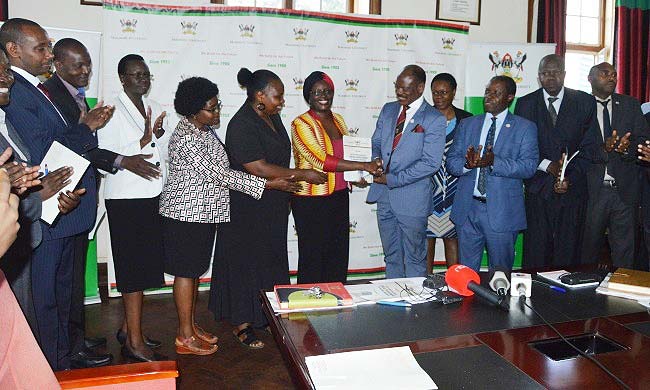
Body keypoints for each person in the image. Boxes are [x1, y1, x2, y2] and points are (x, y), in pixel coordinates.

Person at [0, 18, 113, 370]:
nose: (49, 54)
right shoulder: (16, 90)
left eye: (49, 46)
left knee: (63, 293)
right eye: (42, 48)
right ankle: (54, 364)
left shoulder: (40, 87)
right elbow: (41, 149)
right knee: (46, 297)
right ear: (13, 50)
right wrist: (85, 128)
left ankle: (65, 353)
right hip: (43, 209)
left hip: (61, 201)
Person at [160, 77, 299, 355]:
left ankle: (190, 327)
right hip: (185, 215)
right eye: (211, 109)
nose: (217, 112)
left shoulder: (203, 130)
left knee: (195, 272)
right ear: (193, 111)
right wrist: (269, 184)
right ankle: (184, 337)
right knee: (186, 274)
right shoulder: (187, 136)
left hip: (203, 215)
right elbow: (222, 174)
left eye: (217, 105)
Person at [209, 68, 326, 349]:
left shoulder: (272, 116)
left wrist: (285, 187)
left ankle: (266, 315)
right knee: (244, 262)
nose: (282, 101)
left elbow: (276, 154)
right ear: (259, 95)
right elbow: (256, 167)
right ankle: (242, 323)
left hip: (273, 200)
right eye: (278, 96)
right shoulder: (241, 123)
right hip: (246, 205)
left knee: (269, 259)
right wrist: (300, 174)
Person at [44, 37, 116, 368]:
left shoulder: (78, 97)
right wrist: (88, 126)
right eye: (78, 65)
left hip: (80, 202)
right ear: (57, 64)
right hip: (61, 201)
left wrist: (120, 160)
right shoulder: (50, 95)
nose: (86, 71)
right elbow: (58, 147)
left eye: (88, 63)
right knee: (60, 286)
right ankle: (69, 351)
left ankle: (76, 339)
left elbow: (87, 149)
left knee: (72, 284)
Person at [97, 54, 169, 362]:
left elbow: (145, 147)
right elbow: (101, 155)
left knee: (144, 266)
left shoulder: (146, 105)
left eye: (146, 74)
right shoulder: (109, 110)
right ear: (122, 78)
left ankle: (129, 329)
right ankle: (134, 342)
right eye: (136, 75)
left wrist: (155, 137)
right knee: (132, 270)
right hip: (125, 199)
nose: (143, 79)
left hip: (149, 195)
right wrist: (142, 141)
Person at [291, 71, 382, 284]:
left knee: (337, 255)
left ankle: (335, 301)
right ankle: (309, 306)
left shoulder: (338, 119)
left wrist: (357, 175)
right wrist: (364, 165)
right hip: (311, 200)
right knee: (313, 256)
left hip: (339, 196)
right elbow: (322, 160)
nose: (323, 96)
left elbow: (346, 155)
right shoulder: (301, 124)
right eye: (316, 92)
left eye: (327, 91)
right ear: (308, 96)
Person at [514, 54, 598, 269]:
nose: (549, 77)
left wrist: (568, 176)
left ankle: (566, 299)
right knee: (536, 250)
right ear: (538, 76)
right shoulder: (525, 104)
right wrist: (547, 166)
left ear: (564, 74)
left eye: (555, 72)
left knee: (568, 251)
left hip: (573, 189)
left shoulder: (584, 101)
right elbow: (520, 148)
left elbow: (590, 147)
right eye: (544, 73)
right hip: (538, 187)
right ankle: (532, 297)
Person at [447, 76, 538, 272]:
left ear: (510, 97)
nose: (488, 97)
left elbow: (529, 166)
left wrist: (494, 162)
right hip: (468, 209)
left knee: (499, 276)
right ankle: (466, 304)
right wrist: (466, 165)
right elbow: (451, 161)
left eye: (496, 93)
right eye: (487, 91)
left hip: (502, 213)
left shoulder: (525, 128)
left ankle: (498, 303)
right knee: (467, 275)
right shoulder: (468, 124)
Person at [366, 64, 446, 278]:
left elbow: (430, 163)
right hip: (384, 197)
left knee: (414, 256)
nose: (399, 92)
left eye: (405, 88)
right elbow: (376, 141)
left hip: (412, 200)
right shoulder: (388, 109)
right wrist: (376, 160)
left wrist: (390, 179)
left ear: (420, 88)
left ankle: (416, 306)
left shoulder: (434, 118)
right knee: (391, 255)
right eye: (397, 87)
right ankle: (394, 302)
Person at [581, 62, 649, 268]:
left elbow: (643, 140)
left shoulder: (630, 104)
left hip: (624, 192)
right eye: (605, 74)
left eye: (614, 74)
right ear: (590, 79)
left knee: (624, 254)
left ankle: (622, 297)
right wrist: (604, 148)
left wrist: (626, 149)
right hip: (592, 192)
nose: (611, 77)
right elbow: (575, 145)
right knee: (587, 252)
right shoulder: (580, 106)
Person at [426, 72, 472, 272]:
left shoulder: (467, 119)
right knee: (426, 241)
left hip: (456, 189)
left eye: (444, 92)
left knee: (453, 239)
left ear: (454, 93)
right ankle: (423, 284)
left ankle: (455, 285)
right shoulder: (423, 118)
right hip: (427, 189)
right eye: (435, 92)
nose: (439, 97)